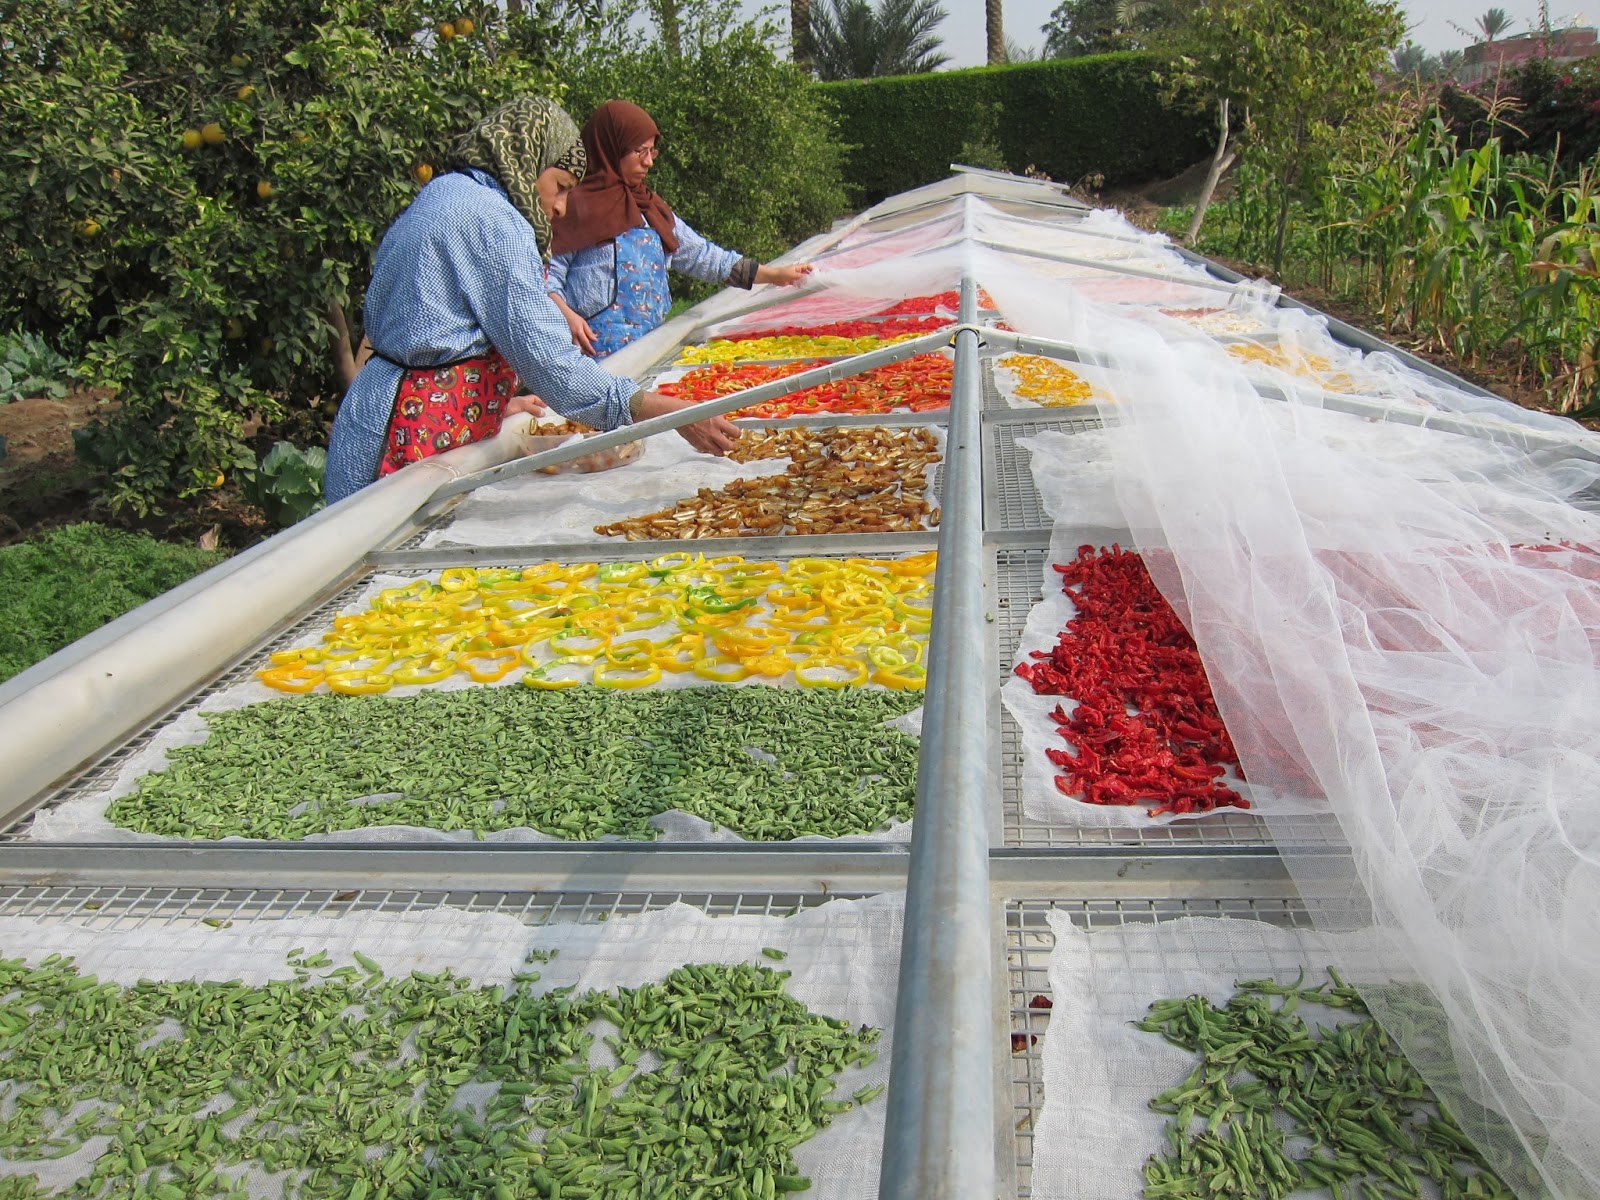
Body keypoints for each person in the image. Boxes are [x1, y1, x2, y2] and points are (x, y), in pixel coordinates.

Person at [324, 96, 738, 505]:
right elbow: (552, 365)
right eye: (559, 188)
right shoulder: (497, 223)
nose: (559, 208)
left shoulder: (447, 192)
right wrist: (677, 414)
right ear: (524, 164)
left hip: (377, 413)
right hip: (413, 429)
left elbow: (439, 329)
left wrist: (487, 399)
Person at [545, 99, 813, 359]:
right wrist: (567, 317)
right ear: (610, 148)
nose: (648, 161)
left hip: (651, 353)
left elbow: (701, 256)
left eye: (653, 152)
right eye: (640, 151)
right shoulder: (571, 206)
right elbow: (546, 279)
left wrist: (774, 275)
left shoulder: (650, 208)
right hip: (594, 361)